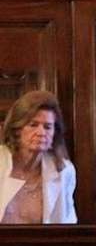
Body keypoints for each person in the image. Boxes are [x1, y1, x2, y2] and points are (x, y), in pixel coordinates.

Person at [0, 90, 77, 224]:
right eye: (33, 125)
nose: (41, 132)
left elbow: (68, 222)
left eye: (47, 127)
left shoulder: (64, 170)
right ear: (17, 129)